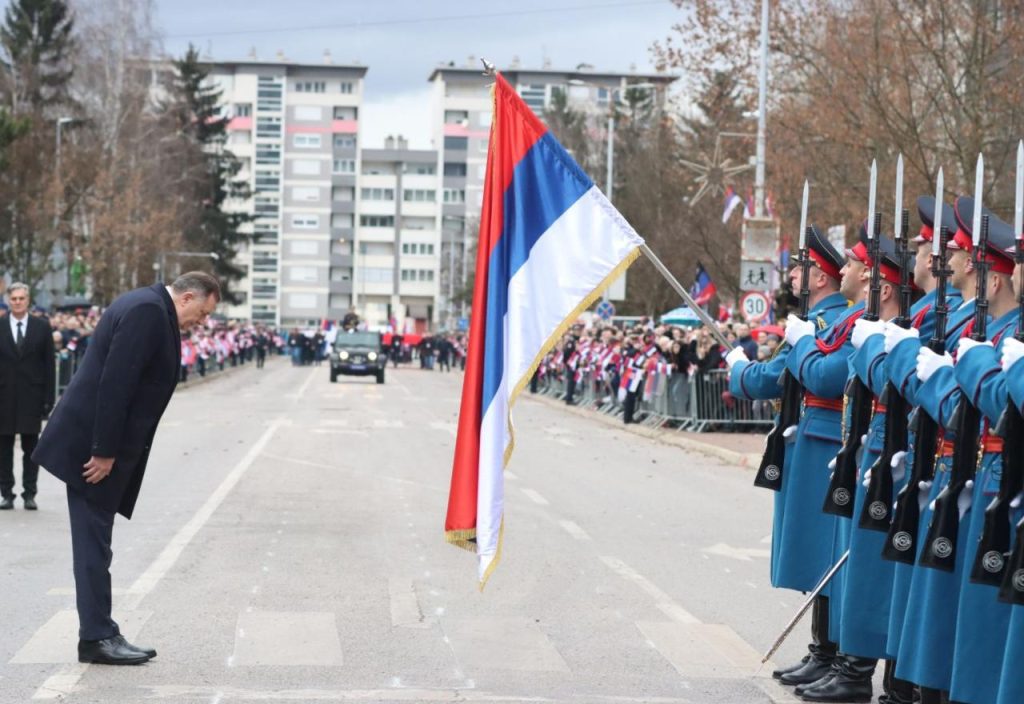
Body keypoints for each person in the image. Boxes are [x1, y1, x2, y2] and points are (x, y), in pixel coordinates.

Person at [32, 272, 220, 666]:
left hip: (98, 447)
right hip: (92, 452)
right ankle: (96, 638)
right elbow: (115, 383)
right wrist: (103, 451)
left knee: (96, 545)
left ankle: (102, 631)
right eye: (202, 315)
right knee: (93, 547)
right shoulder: (149, 312)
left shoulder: (149, 306)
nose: (200, 324)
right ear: (187, 298)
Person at [725, 226, 850, 694]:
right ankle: (824, 651)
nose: (793, 274)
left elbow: (771, 379)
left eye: (800, 268)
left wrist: (739, 369)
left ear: (820, 277)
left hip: (823, 443)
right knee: (819, 552)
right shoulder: (817, 321)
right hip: (809, 439)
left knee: (825, 551)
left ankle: (834, 654)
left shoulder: (822, 324)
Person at [0, 283, 56, 511]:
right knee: (3, 451)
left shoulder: (42, 327)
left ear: (28, 300)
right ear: (8, 300)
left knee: (31, 450)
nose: (17, 302)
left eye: (21, 298)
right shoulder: (0, 326)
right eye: (13, 298)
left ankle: (29, 493)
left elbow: (49, 366)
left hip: (32, 398)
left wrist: (48, 400)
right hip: (3, 398)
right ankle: (6, 494)